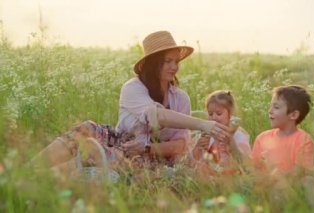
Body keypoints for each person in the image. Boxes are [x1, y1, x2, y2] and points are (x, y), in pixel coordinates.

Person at [30, 31, 230, 176]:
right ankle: (27, 171)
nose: (174, 67)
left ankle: (38, 179)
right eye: (168, 61)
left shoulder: (181, 98)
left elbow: (180, 146)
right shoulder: (133, 88)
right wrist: (204, 124)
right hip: (119, 140)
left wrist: (147, 148)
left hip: (149, 157)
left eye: (176, 61)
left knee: (97, 153)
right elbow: (157, 115)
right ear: (153, 63)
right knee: (87, 129)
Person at [249, 85, 314, 208]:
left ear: (293, 115)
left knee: (309, 181)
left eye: (276, 107)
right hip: (266, 188)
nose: (270, 110)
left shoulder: (304, 139)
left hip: (291, 188)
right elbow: (253, 168)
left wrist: (279, 180)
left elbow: (300, 170)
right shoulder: (262, 138)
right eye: (271, 106)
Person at [192, 90, 251, 175]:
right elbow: (194, 161)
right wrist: (198, 147)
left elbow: (245, 163)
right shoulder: (207, 135)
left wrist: (231, 145)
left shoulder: (238, 135)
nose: (214, 118)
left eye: (219, 114)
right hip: (211, 177)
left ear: (230, 114)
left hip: (232, 177)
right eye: (210, 114)